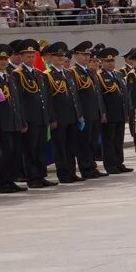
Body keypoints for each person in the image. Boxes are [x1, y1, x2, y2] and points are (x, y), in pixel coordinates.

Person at [11, 39, 56, 189]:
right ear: (22, 57)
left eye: (32, 56)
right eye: (27, 56)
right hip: (30, 119)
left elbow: (46, 97)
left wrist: (49, 116)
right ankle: (32, 177)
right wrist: (22, 120)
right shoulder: (17, 74)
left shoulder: (39, 74)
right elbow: (18, 100)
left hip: (42, 117)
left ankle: (41, 175)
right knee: (30, 149)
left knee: (41, 148)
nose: (31, 59)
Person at [0, 44, 26, 194]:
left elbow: (18, 101)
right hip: (2, 123)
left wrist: (22, 121)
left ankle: (11, 180)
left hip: (14, 121)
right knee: (4, 155)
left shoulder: (11, 77)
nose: (3, 62)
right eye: (0, 59)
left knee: (14, 153)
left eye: (5, 59)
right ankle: (3, 182)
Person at [42, 42, 85, 183]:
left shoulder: (67, 73)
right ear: (50, 58)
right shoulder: (47, 75)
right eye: (57, 56)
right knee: (60, 147)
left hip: (72, 116)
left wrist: (79, 114)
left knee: (71, 146)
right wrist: (51, 118)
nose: (61, 58)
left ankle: (72, 172)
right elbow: (48, 100)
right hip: (59, 118)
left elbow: (74, 96)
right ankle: (64, 174)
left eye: (62, 55)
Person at [68, 41, 107, 180]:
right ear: (76, 55)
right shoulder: (73, 72)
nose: (86, 57)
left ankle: (92, 166)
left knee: (92, 142)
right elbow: (75, 95)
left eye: (87, 55)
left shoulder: (90, 71)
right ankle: (86, 168)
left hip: (94, 113)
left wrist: (101, 111)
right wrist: (79, 114)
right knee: (83, 143)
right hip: (84, 113)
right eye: (83, 55)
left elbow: (97, 94)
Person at [96, 48, 131, 174]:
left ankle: (119, 163)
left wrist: (126, 112)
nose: (110, 63)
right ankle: (110, 165)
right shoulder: (99, 76)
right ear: (102, 62)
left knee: (118, 140)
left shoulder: (118, 74)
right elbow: (99, 96)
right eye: (107, 61)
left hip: (120, 112)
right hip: (109, 114)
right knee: (109, 141)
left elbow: (124, 94)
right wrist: (103, 112)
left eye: (112, 60)